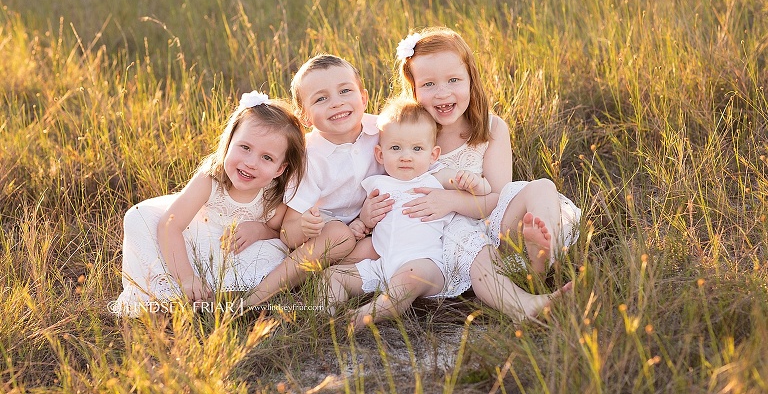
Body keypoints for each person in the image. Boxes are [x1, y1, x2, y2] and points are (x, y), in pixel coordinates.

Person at [366, 27, 580, 320]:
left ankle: (543, 251)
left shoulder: (492, 129)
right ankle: (522, 305)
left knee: (542, 186)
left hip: (495, 219)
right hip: (450, 235)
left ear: (471, 80)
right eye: (429, 84)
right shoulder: (407, 137)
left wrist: (451, 200)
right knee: (474, 247)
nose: (443, 93)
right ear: (413, 89)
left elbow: (498, 196)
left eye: (453, 80)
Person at [112, 91, 305, 316]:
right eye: (245, 147)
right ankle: (174, 294)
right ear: (229, 141)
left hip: (234, 251)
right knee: (139, 217)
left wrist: (259, 229)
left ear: (280, 169)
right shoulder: (210, 179)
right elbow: (170, 226)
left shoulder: (273, 194)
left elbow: (279, 234)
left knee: (274, 254)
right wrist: (187, 277)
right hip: (193, 243)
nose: (251, 162)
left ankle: (222, 298)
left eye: (267, 158)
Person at [325, 97, 492, 328]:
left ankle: (366, 315)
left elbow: (484, 190)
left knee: (407, 281)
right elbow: (365, 221)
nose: (406, 156)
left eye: (417, 149)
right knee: (332, 275)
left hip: (425, 264)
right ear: (380, 154)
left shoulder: (435, 178)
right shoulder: (376, 184)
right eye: (395, 148)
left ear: (433, 155)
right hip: (383, 265)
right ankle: (328, 317)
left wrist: (473, 182)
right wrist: (361, 221)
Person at [244, 54, 384, 307]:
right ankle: (260, 296)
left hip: (367, 229)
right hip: (325, 233)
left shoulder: (382, 130)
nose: (336, 103)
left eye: (345, 91)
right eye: (321, 98)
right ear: (305, 117)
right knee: (340, 236)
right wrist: (305, 228)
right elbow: (288, 232)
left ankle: (326, 277)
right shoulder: (310, 157)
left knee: (378, 246)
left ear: (363, 98)